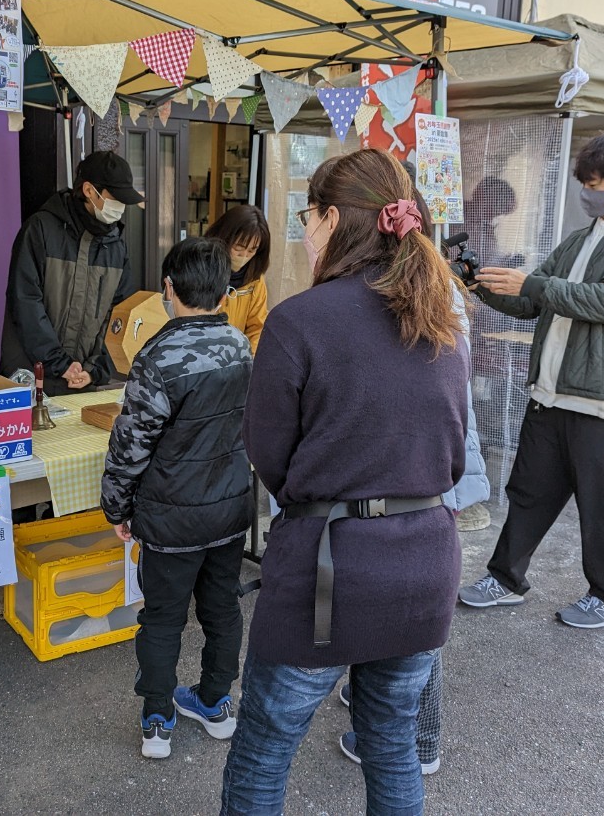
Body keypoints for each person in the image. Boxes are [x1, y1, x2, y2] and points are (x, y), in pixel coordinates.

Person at [221, 149, 469, 816]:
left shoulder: (300, 319)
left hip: (330, 569)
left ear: (333, 218)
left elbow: (269, 455)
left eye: (309, 215)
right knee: (391, 744)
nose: (305, 230)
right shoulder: (442, 314)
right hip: (424, 561)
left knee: (265, 749)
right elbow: (454, 449)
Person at [459, 132, 604, 629]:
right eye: (584, 183)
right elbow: (531, 302)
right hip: (551, 392)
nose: (587, 192)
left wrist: (532, 284)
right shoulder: (584, 237)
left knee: (601, 508)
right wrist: (480, 284)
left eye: (594, 183)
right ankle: (504, 578)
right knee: (529, 492)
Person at [336, 192, 491, 778]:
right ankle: (379, 708)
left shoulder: (412, 292)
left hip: (417, 468)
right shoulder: (432, 281)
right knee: (409, 608)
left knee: (415, 623)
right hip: (434, 462)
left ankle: (420, 741)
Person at [100, 237, 254, 760]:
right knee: (222, 610)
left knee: (163, 618)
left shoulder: (158, 355)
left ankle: (158, 718)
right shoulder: (240, 346)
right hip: (230, 509)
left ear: (169, 288)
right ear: (223, 290)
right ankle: (215, 703)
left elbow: (130, 442)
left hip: (169, 516)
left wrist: (117, 508)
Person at [0, 151, 143, 394]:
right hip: (32, 378)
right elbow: (25, 302)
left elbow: (119, 315)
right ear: (89, 190)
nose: (119, 207)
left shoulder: (116, 246)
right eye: (115, 198)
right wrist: (58, 363)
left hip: (84, 381)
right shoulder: (41, 229)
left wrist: (95, 369)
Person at [205, 204, 271, 352]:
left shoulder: (255, 280)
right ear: (224, 238)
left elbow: (257, 329)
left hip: (237, 361)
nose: (244, 256)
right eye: (239, 248)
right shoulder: (201, 269)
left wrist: (248, 361)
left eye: (251, 251)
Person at [464, 176, 521, 269]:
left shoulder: (486, 228)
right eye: (498, 209)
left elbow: (489, 258)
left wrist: (507, 261)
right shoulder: (462, 215)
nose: (496, 215)